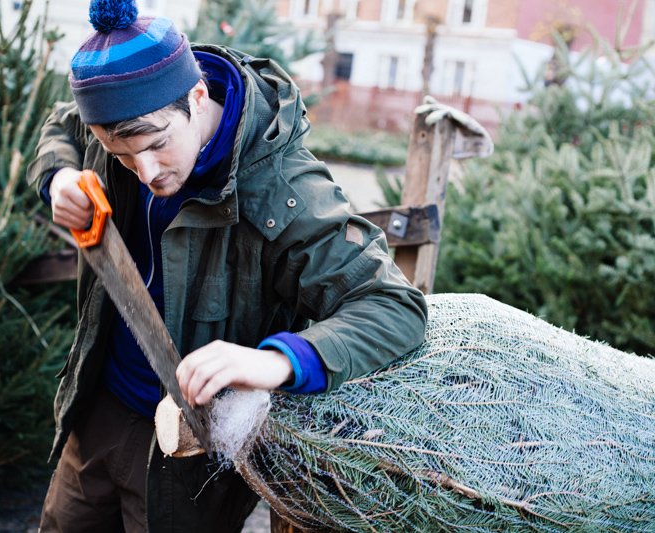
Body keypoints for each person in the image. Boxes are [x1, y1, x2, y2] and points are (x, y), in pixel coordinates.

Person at [27, 0, 428, 531]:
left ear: (197, 96)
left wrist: (277, 362)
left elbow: (394, 307)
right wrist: (58, 177)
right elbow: (63, 123)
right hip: (100, 411)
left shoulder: (284, 190)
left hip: (195, 457)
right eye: (121, 156)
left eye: (157, 145)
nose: (144, 171)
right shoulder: (122, 113)